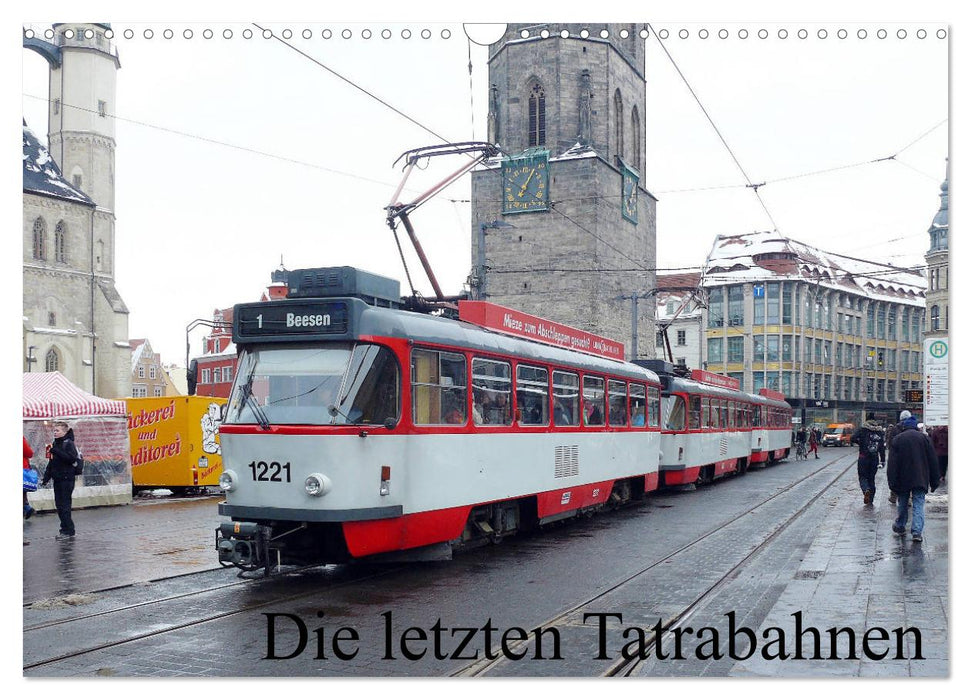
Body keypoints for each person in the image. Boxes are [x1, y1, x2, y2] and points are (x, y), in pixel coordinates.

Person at [887, 413, 940, 542]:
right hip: (920, 477)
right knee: (918, 504)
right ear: (916, 427)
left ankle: (900, 525)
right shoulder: (925, 439)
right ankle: (917, 532)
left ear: (904, 426)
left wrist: (892, 482)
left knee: (903, 502)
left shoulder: (898, 439)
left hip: (903, 478)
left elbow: (892, 464)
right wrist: (935, 481)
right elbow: (933, 461)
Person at [41, 421, 80, 539]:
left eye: (57, 431)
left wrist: (56, 451)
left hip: (67, 478)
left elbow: (71, 458)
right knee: (59, 506)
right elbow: (52, 463)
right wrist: (46, 477)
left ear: (64, 432)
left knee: (65, 506)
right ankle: (64, 529)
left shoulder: (68, 443)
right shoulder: (55, 444)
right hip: (57, 478)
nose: (55, 433)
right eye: (54, 430)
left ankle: (69, 530)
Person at [850, 418, 885, 505]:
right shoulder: (879, 432)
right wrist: (883, 460)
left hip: (863, 458)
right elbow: (882, 448)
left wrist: (860, 443)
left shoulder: (863, 430)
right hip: (874, 459)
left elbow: (852, 438)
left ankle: (866, 490)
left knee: (862, 477)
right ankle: (871, 499)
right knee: (871, 478)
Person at [885, 410, 909, 504]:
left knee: (896, 475)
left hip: (897, 456)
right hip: (909, 456)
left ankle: (893, 496)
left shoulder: (895, 429)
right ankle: (909, 498)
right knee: (909, 476)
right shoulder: (912, 428)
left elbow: (890, 443)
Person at [23, 436, 36, 520]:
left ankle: (26, 508)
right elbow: (29, 453)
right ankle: (26, 507)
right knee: (22, 489)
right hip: (22, 469)